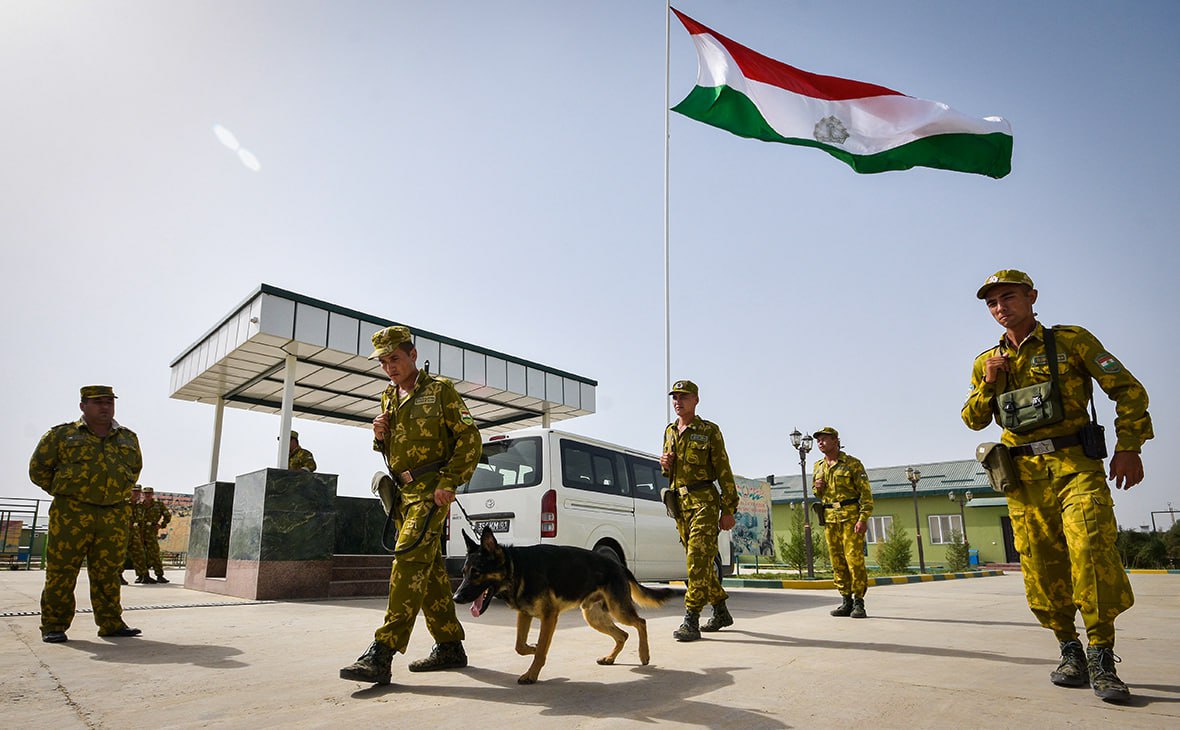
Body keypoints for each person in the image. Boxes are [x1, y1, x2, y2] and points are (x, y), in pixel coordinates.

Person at [962, 269, 1153, 703]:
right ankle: (1070, 650)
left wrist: (1130, 446)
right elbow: (972, 419)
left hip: (1074, 465)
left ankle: (1102, 655)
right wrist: (989, 385)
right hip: (1023, 477)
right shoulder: (985, 361)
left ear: (1031, 297)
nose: (1000, 308)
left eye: (1008, 298)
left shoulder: (1071, 341)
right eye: (992, 304)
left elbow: (1128, 390)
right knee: (1041, 566)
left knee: (1091, 550)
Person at [339, 325, 482, 685]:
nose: (390, 367)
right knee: (428, 571)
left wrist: (450, 481)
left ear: (413, 354)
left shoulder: (440, 392)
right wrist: (379, 436)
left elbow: (469, 438)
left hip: (431, 491)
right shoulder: (389, 396)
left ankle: (381, 652)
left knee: (405, 561)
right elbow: (393, 450)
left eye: (396, 359)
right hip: (402, 495)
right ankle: (449, 645)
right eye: (384, 362)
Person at [28, 385, 143, 642]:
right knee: (62, 571)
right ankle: (54, 626)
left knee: (108, 573)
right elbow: (38, 470)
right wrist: (67, 492)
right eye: (97, 402)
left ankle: (111, 623)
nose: (105, 407)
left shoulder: (128, 438)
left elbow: (134, 471)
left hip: (113, 514)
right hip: (72, 513)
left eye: (109, 402)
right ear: (83, 406)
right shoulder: (62, 435)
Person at [660, 379, 739, 641]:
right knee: (702, 563)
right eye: (675, 397)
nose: (678, 402)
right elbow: (668, 471)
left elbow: (724, 472)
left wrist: (728, 509)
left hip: (705, 502)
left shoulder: (708, 431)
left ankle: (691, 619)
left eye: (684, 397)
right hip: (680, 505)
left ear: (696, 400)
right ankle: (721, 611)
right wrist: (665, 463)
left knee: (696, 560)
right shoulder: (670, 431)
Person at [811, 427, 874, 619]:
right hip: (830, 519)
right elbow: (817, 493)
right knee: (837, 561)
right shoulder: (818, 466)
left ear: (836, 440)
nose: (820, 443)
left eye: (824, 439)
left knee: (854, 561)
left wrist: (863, 519)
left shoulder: (852, 464)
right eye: (818, 440)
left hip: (850, 517)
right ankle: (845, 600)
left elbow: (866, 495)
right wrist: (817, 488)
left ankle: (859, 603)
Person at [140, 487, 172, 583]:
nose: (147, 495)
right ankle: (142, 575)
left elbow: (167, 515)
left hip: (151, 532)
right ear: (143, 494)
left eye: (149, 493)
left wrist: (161, 525)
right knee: (140, 554)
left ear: (152, 493)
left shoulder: (158, 505)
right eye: (145, 493)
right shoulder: (139, 506)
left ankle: (159, 575)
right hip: (139, 532)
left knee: (154, 554)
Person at [125, 485, 151, 584]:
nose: (136, 493)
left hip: (135, 533)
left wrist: (141, 536)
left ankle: (143, 575)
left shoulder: (140, 506)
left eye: (138, 492)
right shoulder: (124, 504)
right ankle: (118, 576)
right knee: (121, 555)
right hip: (124, 533)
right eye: (134, 491)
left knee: (139, 554)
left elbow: (142, 522)